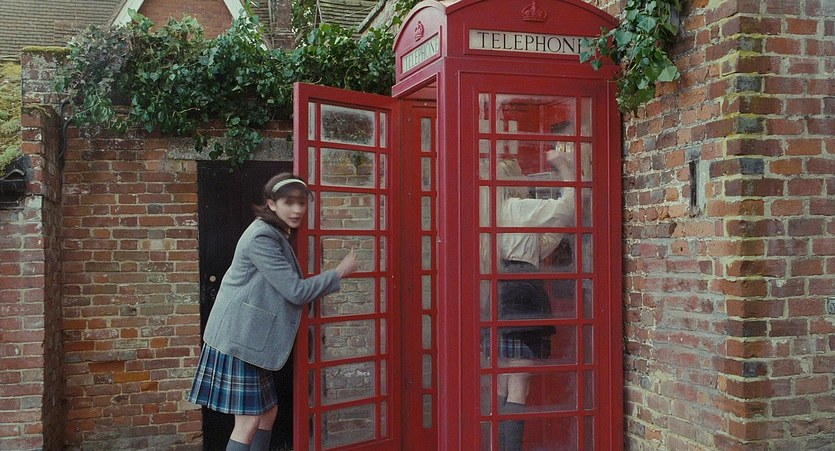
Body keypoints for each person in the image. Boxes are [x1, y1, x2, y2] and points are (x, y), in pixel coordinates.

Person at [188, 173, 359, 451]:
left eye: (301, 202)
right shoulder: (262, 237)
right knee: (248, 421)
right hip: (239, 339)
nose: (297, 209)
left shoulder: (276, 231)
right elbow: (296, 291)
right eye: (288, 202)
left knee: (268, 412)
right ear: (271, 204)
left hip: (253, 339)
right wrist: (339, 271)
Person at [494, 147, 575, 451]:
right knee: (519, 385)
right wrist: (565, 169)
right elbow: (567, 207)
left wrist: (557, 229)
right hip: (522, 295)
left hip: (497, 294)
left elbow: (536, 247)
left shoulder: (491, 209)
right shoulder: (517, 206)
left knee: (503, 381)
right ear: (514, 181)